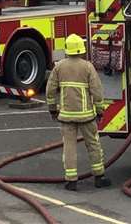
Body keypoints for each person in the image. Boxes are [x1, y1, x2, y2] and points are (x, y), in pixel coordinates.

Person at [46, 34, 109, 191]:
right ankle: (99, 177)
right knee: (93, 144)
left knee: (69, 147)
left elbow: (50, 90)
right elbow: (97, 90)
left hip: (66, 116)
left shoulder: (59, 67)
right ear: (81, 49)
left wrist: (53, 109)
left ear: (67, 49)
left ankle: (71, 180)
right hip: (86, 115)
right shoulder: (87, 66)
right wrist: (100, 110)